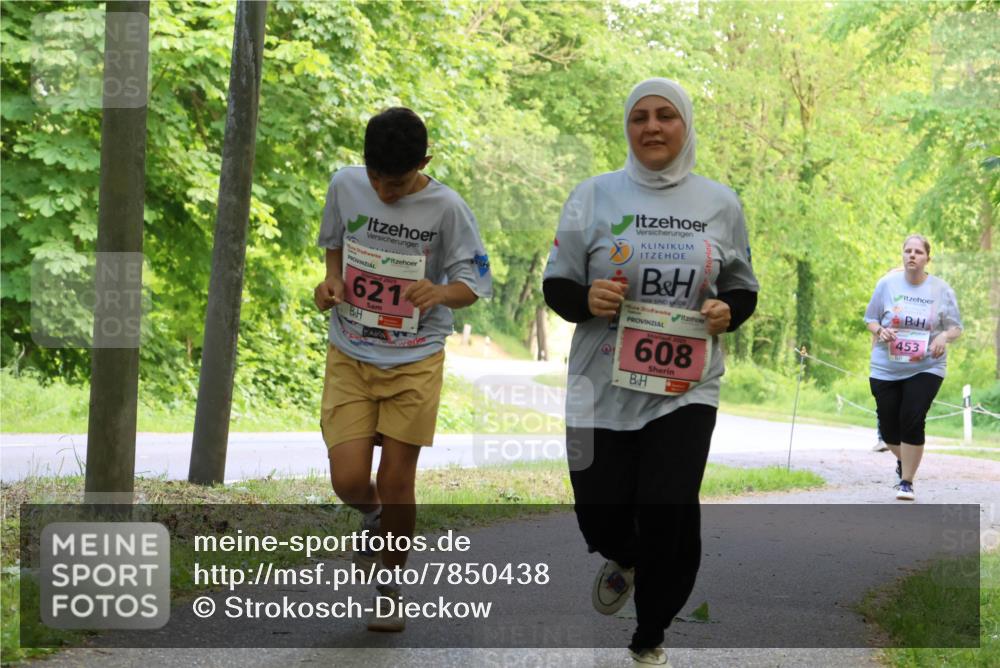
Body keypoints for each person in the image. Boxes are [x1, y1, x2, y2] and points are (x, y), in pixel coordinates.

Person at [543, 78, 758, 667]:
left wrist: (727, 311)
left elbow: (741, 287)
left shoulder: (720, 203)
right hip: (600, 383)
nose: (653, 127)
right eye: (640, 117)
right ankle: (626, 555)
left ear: (685, 125)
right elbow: (558, 283)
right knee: (600, 515)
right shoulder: (592, 196)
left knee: (669, 504)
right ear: (627, 127)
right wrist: (586, 299)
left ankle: (651, 630)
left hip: (687, 388)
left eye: (666, 115)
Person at [313, 107, 492, 631]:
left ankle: (389, 588)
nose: (383, 191)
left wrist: (440, 292)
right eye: (375, 178)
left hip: (415, 358)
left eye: (395, 183)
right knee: (348, 480)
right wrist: (330, 282)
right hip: (350, 351)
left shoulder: (447, 208)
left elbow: (475, 283)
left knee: (396, 480)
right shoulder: (345, 185)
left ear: (424, 163)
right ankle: (373, 515)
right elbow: (334, 244)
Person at [865, 234, 961, 501]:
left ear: (927, 258)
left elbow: (956, 327)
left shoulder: (941, 289)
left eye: (918, 252)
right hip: (886, 367)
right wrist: (880, 331)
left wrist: (943, 337)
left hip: (926, 366)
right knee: (889, 430)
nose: (912, 255)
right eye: (908, 251)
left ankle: (906, 481)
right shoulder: (887, 284)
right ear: (902, 254)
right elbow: (870, 319)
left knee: (913, 418)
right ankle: (904, 460)